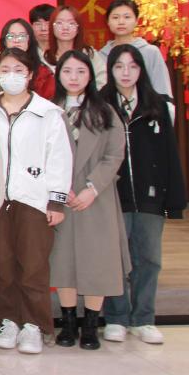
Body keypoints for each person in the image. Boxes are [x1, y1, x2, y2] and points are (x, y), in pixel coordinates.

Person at [0, 47, 72, 355]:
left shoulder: (48, 113)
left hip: (34, 199)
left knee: (33, 265)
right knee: (1, 265)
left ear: (30, 74)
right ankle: (8, 321)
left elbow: (59, 157)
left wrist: (56, 201)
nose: (12, 76)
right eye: (5, 70)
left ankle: (34, 325)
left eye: (18, 70)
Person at [100, 44, 186, 345]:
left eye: (132, 66)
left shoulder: (156, 105)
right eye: (119, 66)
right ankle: (116, 317)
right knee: (116, 259)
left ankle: (144, 319)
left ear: (141, 70)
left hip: (151, 195)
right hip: (113, 195)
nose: (126, 73)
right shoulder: (101, 104)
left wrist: (174, 199)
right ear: (110, 70)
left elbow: (169, 154)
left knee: (149, 259)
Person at [50, 50, 128, 350]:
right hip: (61, 197)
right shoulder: (49, 110)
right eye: (67, 71)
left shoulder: (105, 112)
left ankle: (92, 324)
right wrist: (60, 189)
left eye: (80, 72)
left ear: (90, 76)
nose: (74, 77)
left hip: (97, 197)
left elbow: (114, 154)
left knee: (97, 260)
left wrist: (92, 188)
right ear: (59, 75)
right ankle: (68, 322)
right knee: (63, 260)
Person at [97, 0, 174, 107]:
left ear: (136, 21)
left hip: (147, 112)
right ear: (108, 22)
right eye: (115, 17)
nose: (121, 22)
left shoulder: (150, 52)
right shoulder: (100, 56)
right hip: (110, 113)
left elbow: (162, 89)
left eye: (127, 17)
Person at [0, 18, 54, 99]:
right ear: (4, 41)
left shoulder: (43, 72)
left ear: (29, 40)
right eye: (11, 36)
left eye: (22, 36)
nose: (16, 40)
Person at [44, 5, 100, 82]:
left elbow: (102, 79)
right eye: (59, 23)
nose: (65, 27)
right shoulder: (44, 57)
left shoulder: (89, 54)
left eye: (71, 23)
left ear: (78, 28)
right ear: (52, 27)